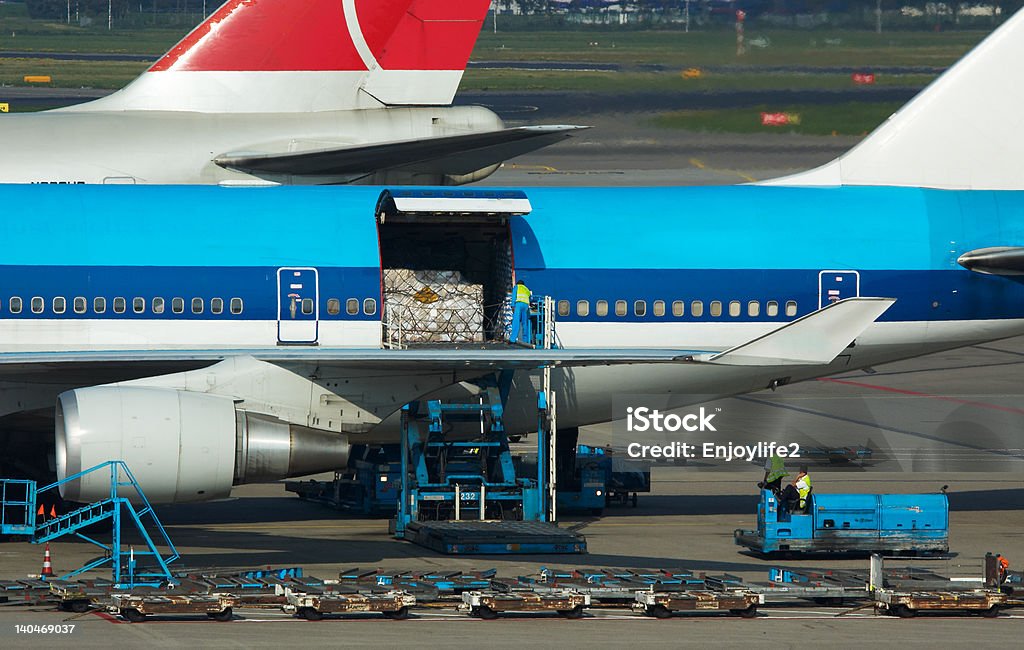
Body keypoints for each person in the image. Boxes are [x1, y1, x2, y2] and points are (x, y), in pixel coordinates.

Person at [509, 279, 532, 344]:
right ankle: (525, 340)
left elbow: (514, 296)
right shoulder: (527, 289)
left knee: (516, 321)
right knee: (524, 322)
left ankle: (512, 339)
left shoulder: (517, 287)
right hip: (526, 306)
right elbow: (530, 298)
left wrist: (513, 306)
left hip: (518, 304)